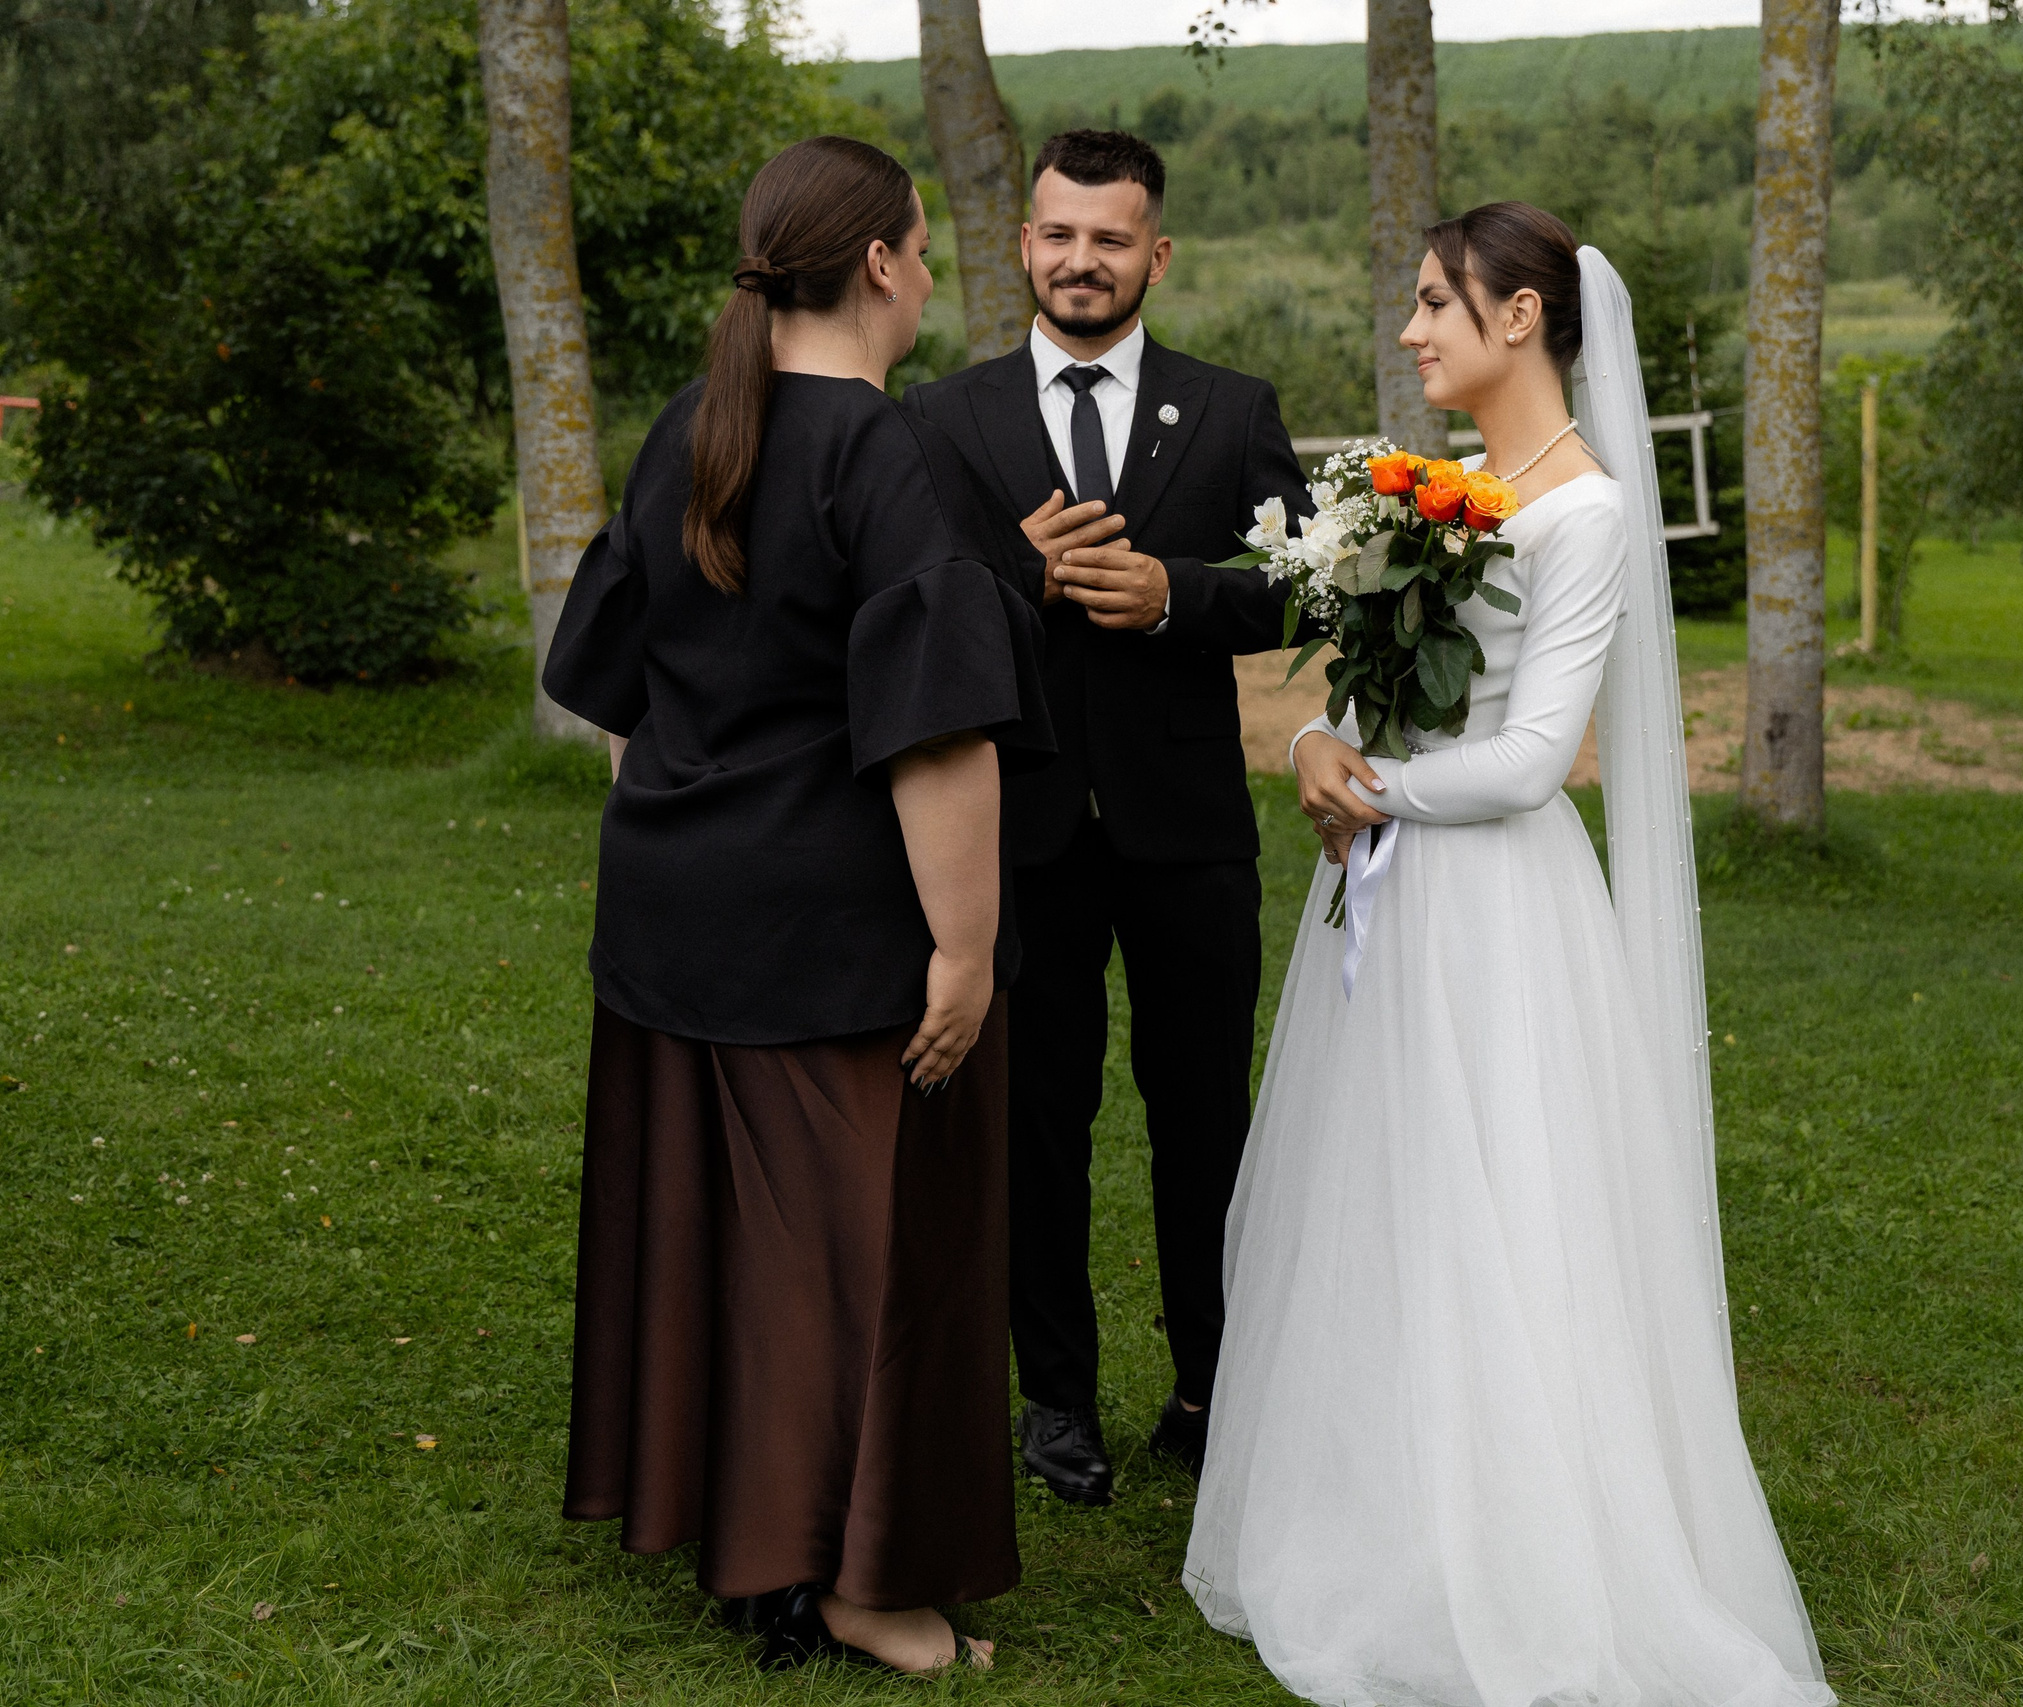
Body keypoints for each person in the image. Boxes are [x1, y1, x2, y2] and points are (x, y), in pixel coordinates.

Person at [1183, 203, 1835, 1706]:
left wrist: (1379, 789)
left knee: (1511, 1210)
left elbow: (1540, 757)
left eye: (1434, 303)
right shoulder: (1450, 490)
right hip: (1401, 900)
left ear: (1521, 316)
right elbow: (1384, 691)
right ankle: (1389, 1510)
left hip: (1498, 910)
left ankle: (1531, 1540)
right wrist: (1319, 748)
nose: (1411, 331)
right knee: (1397, 1199)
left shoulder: (1586, 512)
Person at [541, 136, 1051, 1676]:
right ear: (888, 265)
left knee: (729, 1239)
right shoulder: (877, 450)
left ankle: (755, 1536)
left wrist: (705, 815)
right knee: (872, 1257)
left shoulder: (694, 422)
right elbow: (941, 739)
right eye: (917, 245)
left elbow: (614, 681)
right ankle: (862, 1584)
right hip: (839, 938)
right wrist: (961, 952)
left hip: (674, 911)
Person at [903, 130, 1310, 1507]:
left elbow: (1307, 586)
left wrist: (1177, 597)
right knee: (1037, 1120)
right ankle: (1057, 1398)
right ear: (1024, 245)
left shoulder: (1236, 406)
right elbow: (909, 610)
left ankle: (1213, 1390)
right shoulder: (942, 421)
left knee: (1205, 1117)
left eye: (1112, 238)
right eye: (1060, 236)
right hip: (1014, 839)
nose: (1084, 260)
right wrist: (1022, 582)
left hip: (1188, 832)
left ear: (1157, 254)